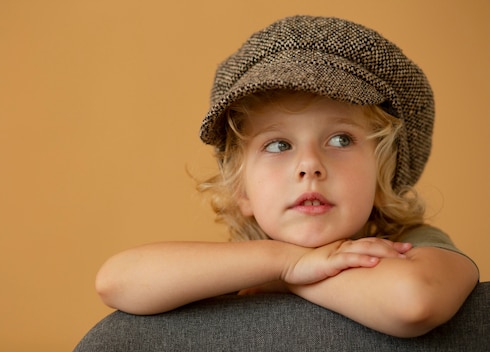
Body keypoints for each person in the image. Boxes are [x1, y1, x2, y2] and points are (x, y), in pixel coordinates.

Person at [94, 15, 479, 338]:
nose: (309, 165)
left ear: (383, 176)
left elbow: (414, 302)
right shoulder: (239, 267)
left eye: (341, 139)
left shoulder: (407, 248)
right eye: (278, 145)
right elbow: (116, 280)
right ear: (240, 189)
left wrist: (290, 279)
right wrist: (284, 262)